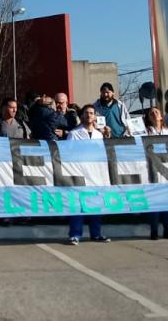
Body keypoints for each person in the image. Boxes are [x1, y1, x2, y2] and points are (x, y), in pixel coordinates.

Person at [66, 105, 111, 244]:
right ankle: (75, 235)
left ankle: (96, 234)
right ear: (82, 115)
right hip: (79, 173)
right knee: (78, 205)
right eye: (86, 113)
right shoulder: (74, 134)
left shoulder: (98, 135)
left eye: (91, 113)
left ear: (95, 116)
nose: (89, 115)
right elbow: (68, 153)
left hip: (95, 174)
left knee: (95, 204)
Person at [143, 107, 168, 240]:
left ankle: (167, 229)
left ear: (161, 116)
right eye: (151, 113)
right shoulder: (145, 132)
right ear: (149, 118)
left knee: (166, 202)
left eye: (156, 112)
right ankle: (154, 230)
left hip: (166, 169)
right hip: (151, 169)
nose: (154, 114)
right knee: (154, 201)